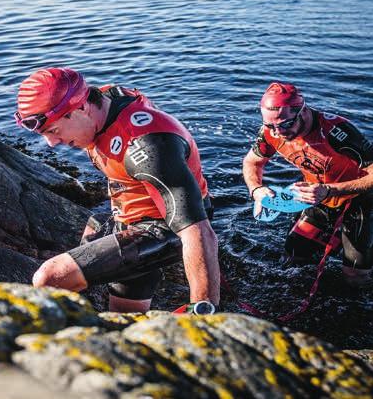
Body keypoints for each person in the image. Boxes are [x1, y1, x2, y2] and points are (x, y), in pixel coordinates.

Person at [14, 67, 220, 313]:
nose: (52, 143)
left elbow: (198, 230)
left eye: (54, 131)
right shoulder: (101, 101)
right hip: (130, 219)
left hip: (165, 229)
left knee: (49, 277)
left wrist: (204, 308)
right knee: (123, 315)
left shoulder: (145, 145)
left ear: (81, 107)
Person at [242, 82, 373, 286]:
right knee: (292, 263)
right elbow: (252, 162)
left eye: (286, 124)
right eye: (271, 125)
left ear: (303, 111)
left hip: (358, 202)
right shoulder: (270, 132)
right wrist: (256, 190)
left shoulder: (336, 132)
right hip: (316, 198)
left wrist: (330, 190)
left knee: (355, 277)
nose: (279, 132)